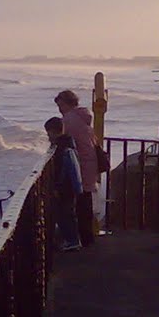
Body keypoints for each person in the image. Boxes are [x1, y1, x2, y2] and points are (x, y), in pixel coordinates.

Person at [54, 89, 99, 245]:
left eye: (61, 105)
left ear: (68, 104)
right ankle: (87, 237)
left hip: (81, 163)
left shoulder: (69, 120)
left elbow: (63, 140)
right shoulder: (82, 116)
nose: (60, 109)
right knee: (85, 200)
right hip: (90, 161)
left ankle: (79, 238)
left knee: (78, 202)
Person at [44, 117, 84, 252]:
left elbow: (65, 170)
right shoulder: (67, 145)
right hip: (67, 187)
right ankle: (71, 240)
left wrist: (57, 186)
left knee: (65, 214)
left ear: (53, 132)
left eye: (48, 133)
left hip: (64, 188)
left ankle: (72, 241)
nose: (48, 137)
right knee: (65, 214)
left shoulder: (63, 149)